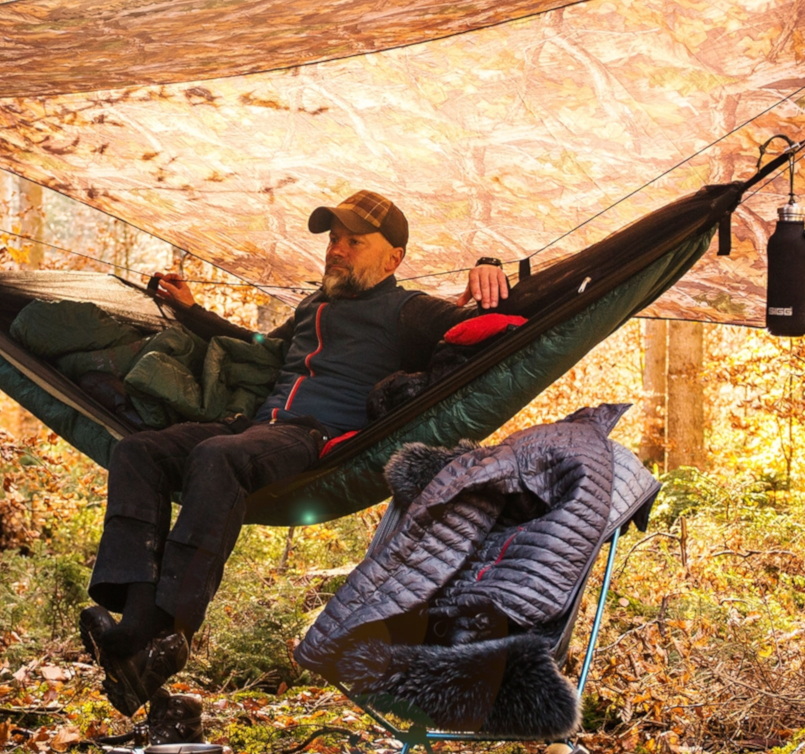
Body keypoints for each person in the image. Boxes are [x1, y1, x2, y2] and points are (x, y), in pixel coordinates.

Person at [81, 189, 512, 716]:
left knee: (216, 457)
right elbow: (260, 349)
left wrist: (488, 269)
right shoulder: (313, 305)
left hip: (312, 436)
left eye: (355, 241)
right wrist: (192, 312)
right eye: (334, 239)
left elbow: (486, 331)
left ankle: (165, 634)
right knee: (137, 451)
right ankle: (137, 628)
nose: (337, 249)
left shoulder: (408, 310)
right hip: (251, 428)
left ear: (393, 259)